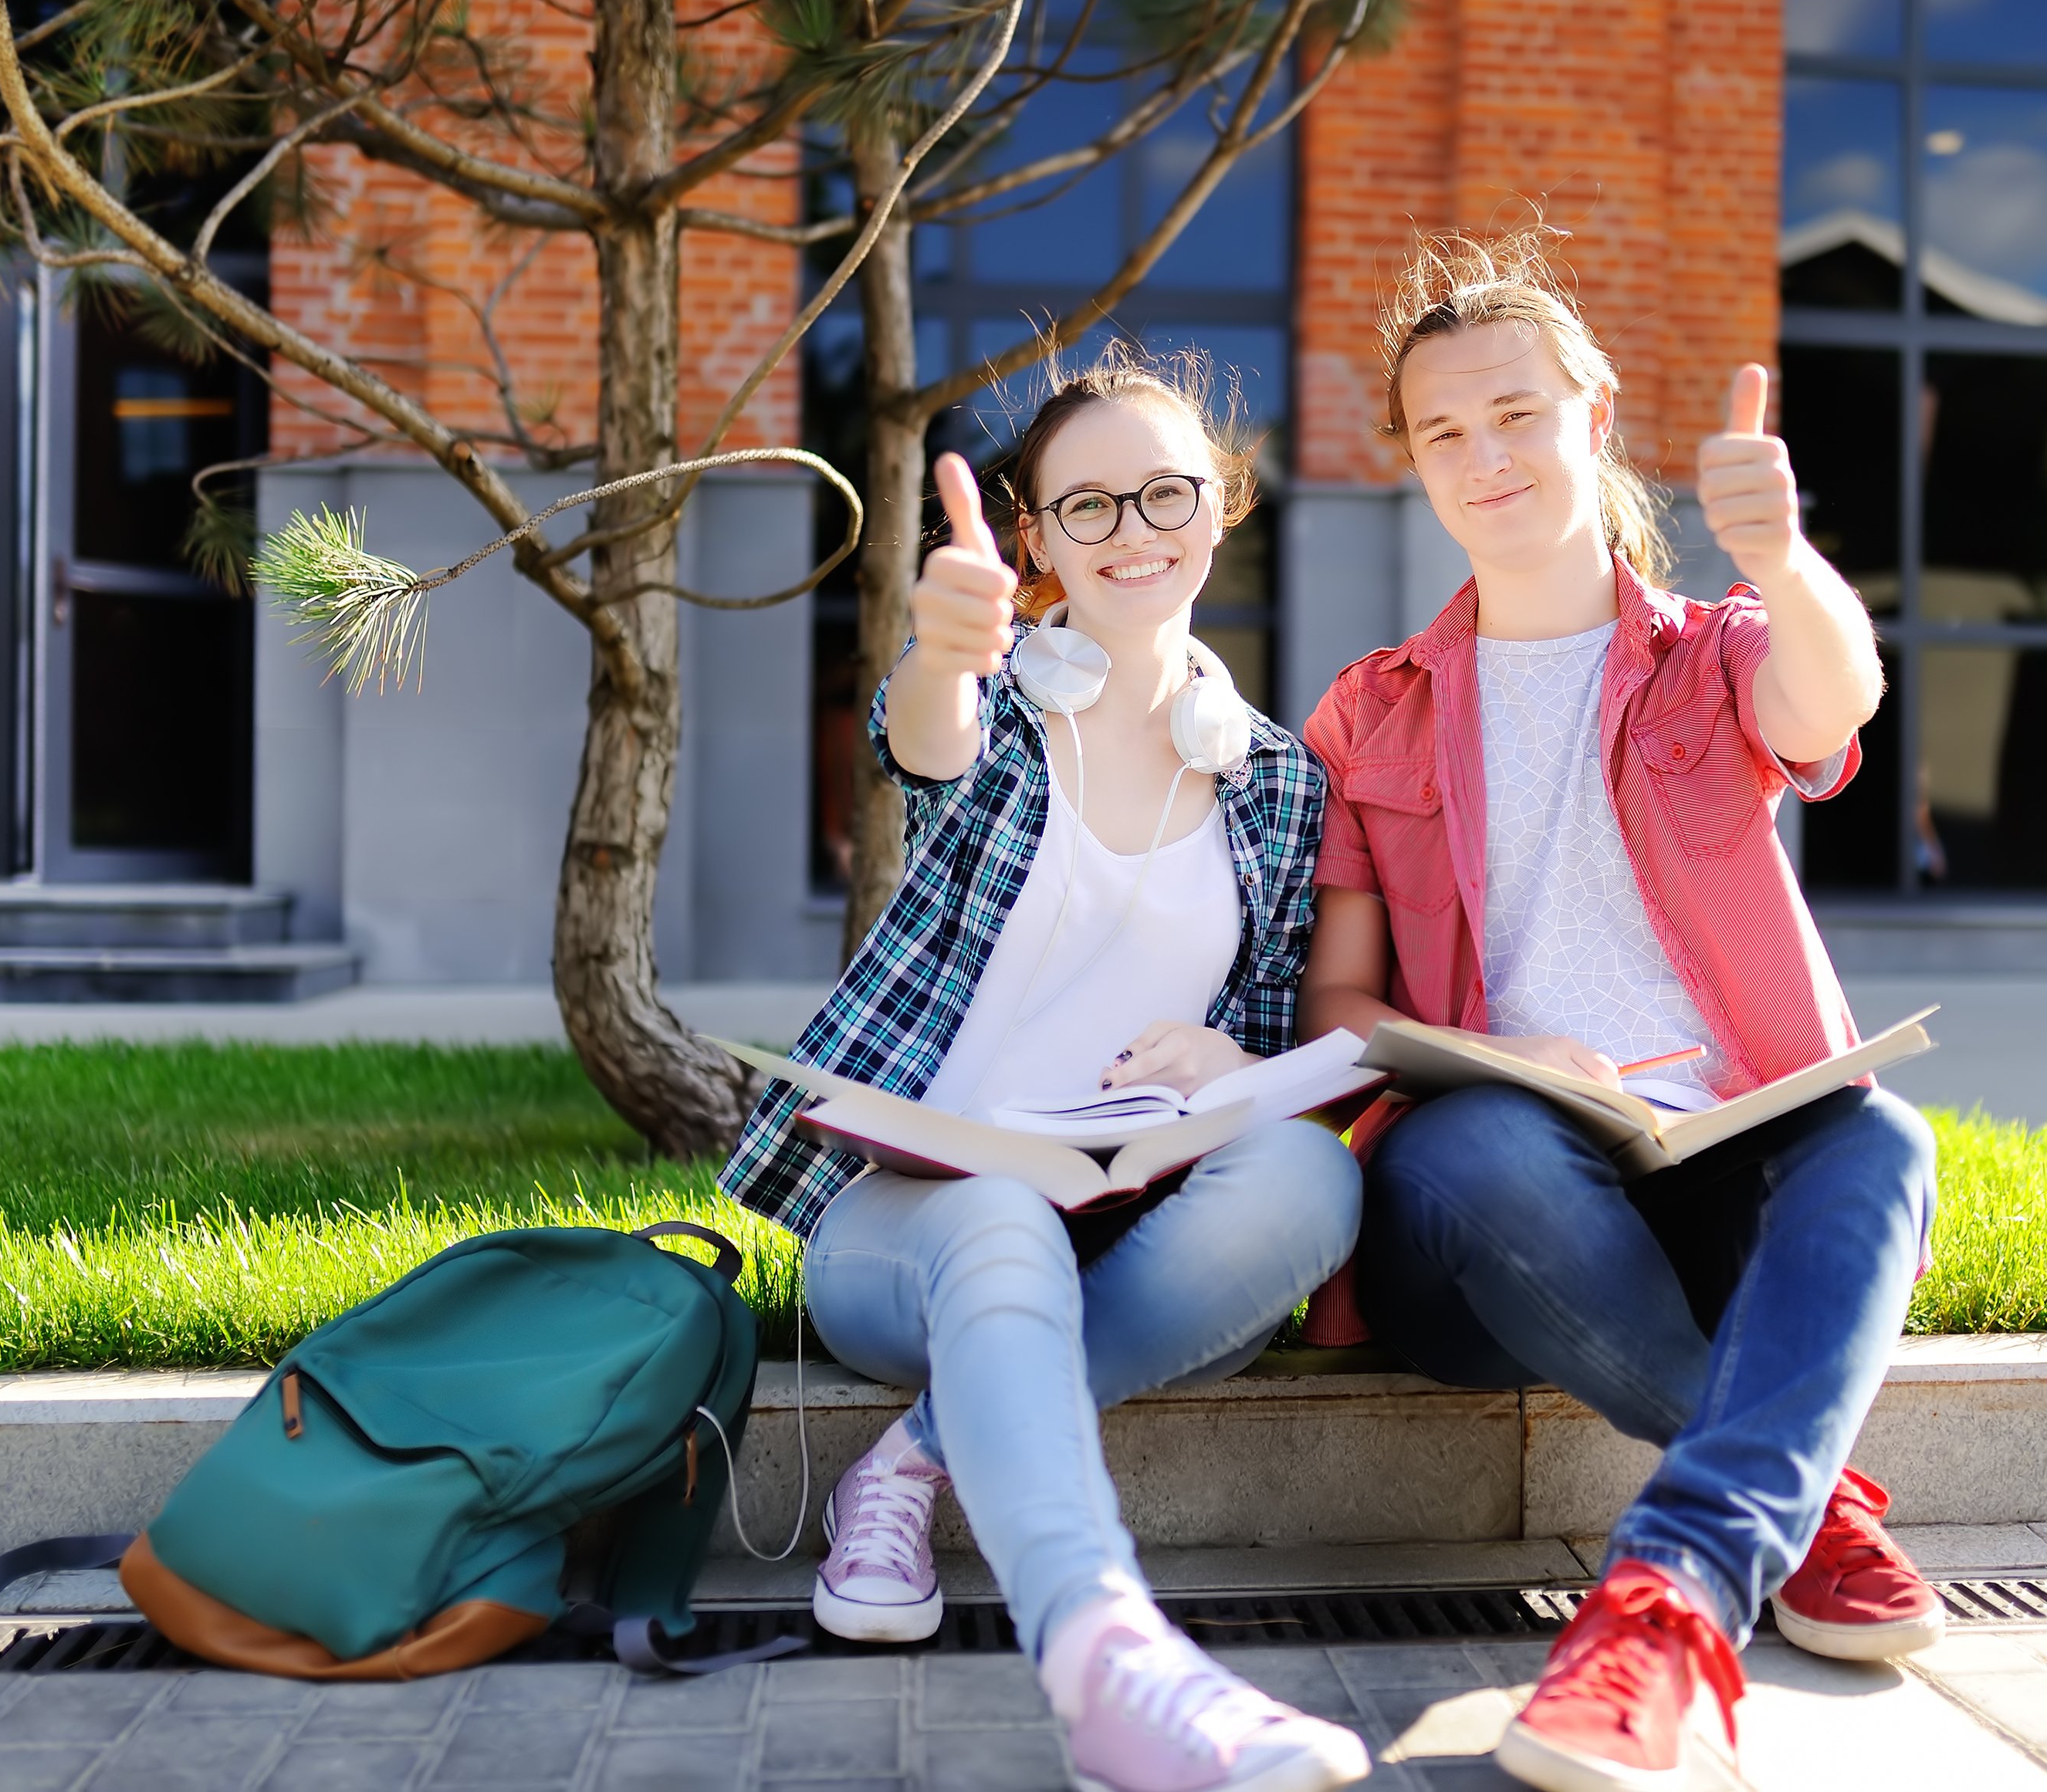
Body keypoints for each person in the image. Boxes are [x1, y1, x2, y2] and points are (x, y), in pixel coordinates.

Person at [1297, 230, 1941, 1792]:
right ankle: (1810, 1500)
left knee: (1882, 1143)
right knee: (1479, 1153)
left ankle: (1668, 1607)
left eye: (1515, 412)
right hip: (1490, 1209)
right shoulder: (1372, 712)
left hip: (1719, 1159)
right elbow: (1340, 1002)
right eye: (1443, 432)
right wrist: (1509, 1057)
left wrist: (1785, 562)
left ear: (1591, 414)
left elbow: (1830, 700)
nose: (1483, 456)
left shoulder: (1714, 653)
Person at [717, 352, 1372, 1792]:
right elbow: (921, 743)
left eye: (1166, 493)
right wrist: (948, 650)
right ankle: (1108, 1666)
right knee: (1002, 1216)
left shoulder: (1276, 781)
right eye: (1088, 508)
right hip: (913, 1229)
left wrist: (1232, 1057)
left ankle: (911, 1461)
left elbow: (1272, 1044)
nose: (1133, 530)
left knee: (1311, 1179)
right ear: (1034, 540)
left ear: (1224, 506)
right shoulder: (1002, 703)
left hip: (1134, 1238)